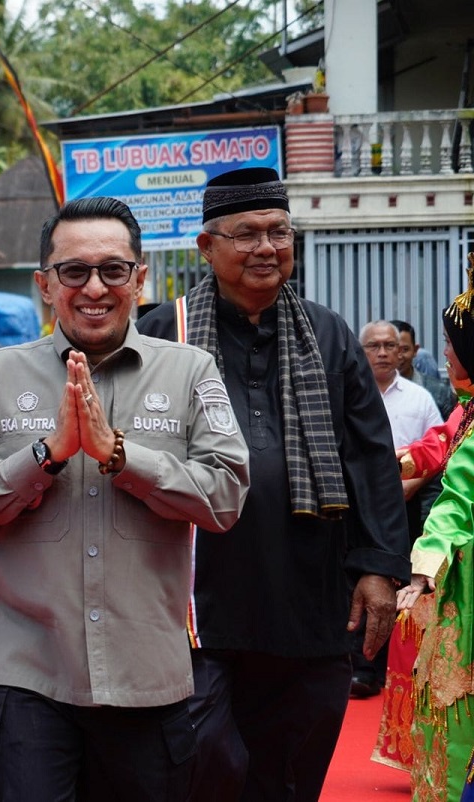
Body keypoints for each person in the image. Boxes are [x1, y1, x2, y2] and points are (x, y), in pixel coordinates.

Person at [0, 196, 250, 799]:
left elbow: (226, 497)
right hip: (27, 676)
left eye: (112, 269)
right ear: (45, 285)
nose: (94, 287)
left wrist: (120, 456)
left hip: (147, 676)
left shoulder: (190, 371)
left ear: (139, 278)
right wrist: (46, 455)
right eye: (74, 271)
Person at [136, 167, 411, 801]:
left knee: (294, 763)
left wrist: (378, 566)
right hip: (194, 603)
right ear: (207, 247)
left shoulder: (327, 333)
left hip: (308, 594)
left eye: (279, 232)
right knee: (203, 757)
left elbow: (370, 455)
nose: (267, 247)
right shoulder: (163, 334)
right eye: (248, 234)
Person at [396, 253, 474, 801]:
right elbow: (438, 446)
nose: (444, 355)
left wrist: (424, 567)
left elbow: (457, 500)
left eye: (452, 345)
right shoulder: (466, 408)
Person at [351, 321, 443, 699]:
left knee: (402, 580)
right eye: (374, 346)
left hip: (403, 503)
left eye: (391, 345)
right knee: (359, 577)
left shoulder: (420, 398)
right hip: (356, 504)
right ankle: (362, 668)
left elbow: (441, 450)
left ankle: (395, 667)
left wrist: (413, 484)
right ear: (361, 351)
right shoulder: (350, 393)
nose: (384, 353)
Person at [393, 319, 456, 418]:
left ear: (415, 350)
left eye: (405, 349)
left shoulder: (440, 393)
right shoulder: (372, 392)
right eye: (393, 348)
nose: (399, 356)